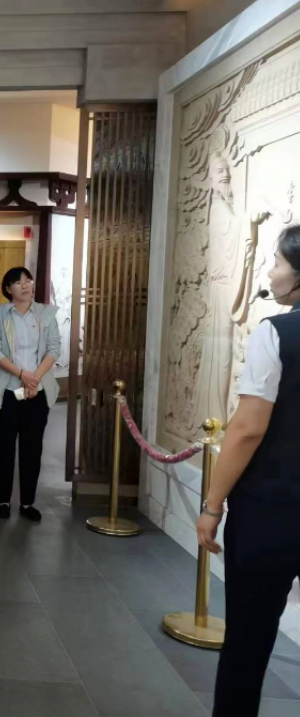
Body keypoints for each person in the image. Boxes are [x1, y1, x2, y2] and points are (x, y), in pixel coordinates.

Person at [197, 226, 300, 717]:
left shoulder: (276, 333)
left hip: (271, 511)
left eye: (277, 262)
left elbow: (246, 429)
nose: (270, 272)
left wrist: (212, 505)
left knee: (248, 641)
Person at [0, 267, 60, 522]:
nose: (25, 286)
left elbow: (54, 348)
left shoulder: (46, 314)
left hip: (37, 390)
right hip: (8, 390)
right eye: (18, 283)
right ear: (8, 289)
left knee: (32, 448)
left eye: (28, 281)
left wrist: (34, 378)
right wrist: (22, 374)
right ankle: (3, 500)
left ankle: (27, 503)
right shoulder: (0, 314)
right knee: (4, 447)